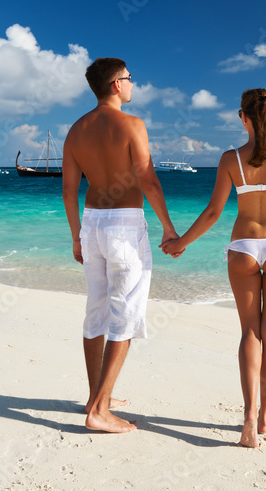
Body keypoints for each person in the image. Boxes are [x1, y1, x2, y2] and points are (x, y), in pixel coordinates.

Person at [162, 88, 266, 447]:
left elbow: (213, 212)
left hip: (242, 247)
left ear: (243, 117)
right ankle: (265, 420)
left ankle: (246, 416)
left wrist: (181, 242)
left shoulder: (231, 159)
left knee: (250, 333)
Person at [62, 57, 178, 433]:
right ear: (115, 85)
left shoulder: (76, 130)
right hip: (125, 225)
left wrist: (76, 234)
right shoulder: (132, 124)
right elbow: (148, 179)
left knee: (96, 312)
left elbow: (68, 188)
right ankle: (98, 411)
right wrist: (168, 228)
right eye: (129, 78)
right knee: (124, 316)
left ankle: (98, 396)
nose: (132, 84)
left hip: (92, 224)